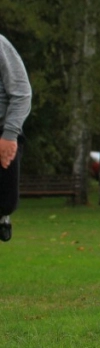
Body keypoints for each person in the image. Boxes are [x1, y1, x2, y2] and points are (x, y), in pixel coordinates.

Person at [0, 34, 31, 243]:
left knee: (5, 202)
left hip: (2, 134)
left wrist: (9, 136)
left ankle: (3, 217)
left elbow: (21, 93)